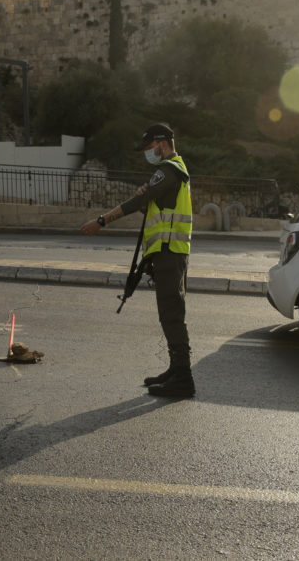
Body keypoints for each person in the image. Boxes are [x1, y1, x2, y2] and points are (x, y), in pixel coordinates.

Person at [79, 123, 195, 398]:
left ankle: (184, 379)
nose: (147, 153)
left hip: (170, 252)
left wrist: (101, 221)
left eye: (148, 147)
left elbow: (132, 203)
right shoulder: (174, 170)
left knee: (172, 315)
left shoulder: (169, 171)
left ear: (162, 143)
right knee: (169, 314)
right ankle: (176, 370)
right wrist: (147, 199)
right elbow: (153, 204)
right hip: (168, 252)